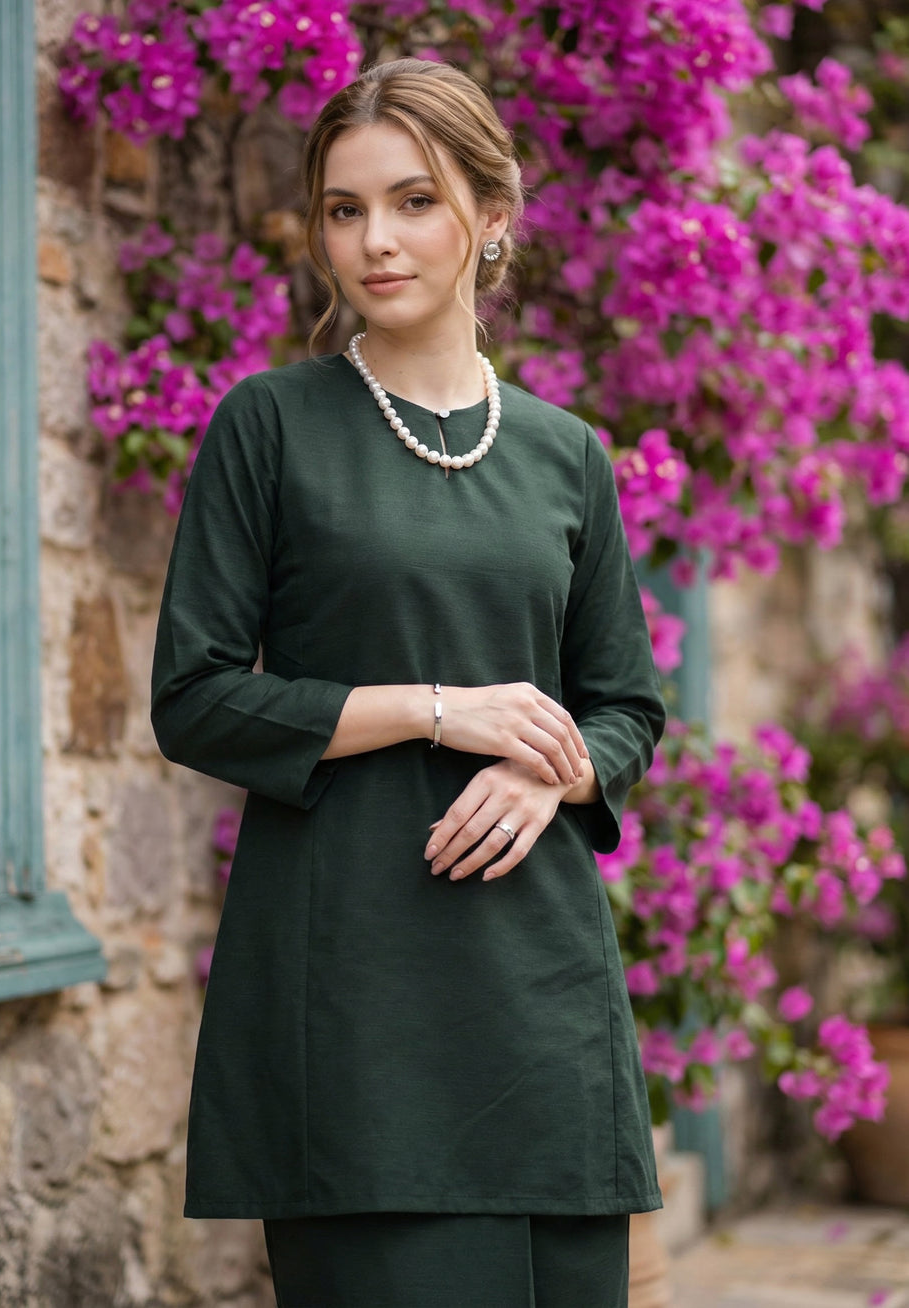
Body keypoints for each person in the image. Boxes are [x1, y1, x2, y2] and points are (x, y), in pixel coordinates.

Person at [151, 56, 666, 1308]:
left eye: (414, 200)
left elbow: (626, 707)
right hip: (354, 997)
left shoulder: (567, 455)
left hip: (542, 997)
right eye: (345, 209)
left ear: (492, 216)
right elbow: (195, 695)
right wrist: (438, 711)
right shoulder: (270, 426)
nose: (375, 240)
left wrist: (551, 776)